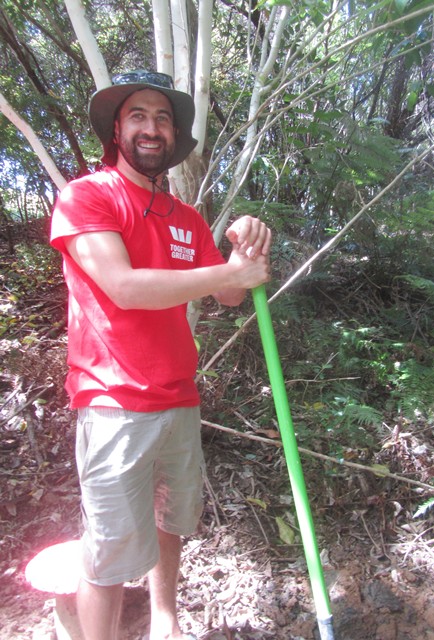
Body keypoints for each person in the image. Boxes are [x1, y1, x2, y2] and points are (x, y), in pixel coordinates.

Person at [50, 69, 271, 640]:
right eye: (139, 116)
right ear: (116, 130)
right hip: (114, 402)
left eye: (163, 118)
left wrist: (244, 246)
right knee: (108, 550)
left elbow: (228, 293)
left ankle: (165, 624)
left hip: (179, 399)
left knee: (169, 521)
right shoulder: (87, 196)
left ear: (174, 136)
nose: (152, 128)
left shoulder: (186, 218)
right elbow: (123, 287)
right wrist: (228, 274)